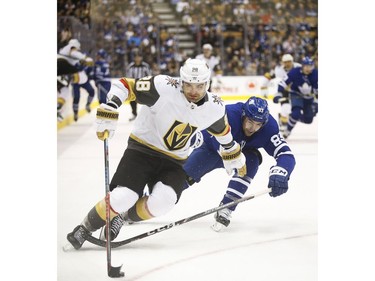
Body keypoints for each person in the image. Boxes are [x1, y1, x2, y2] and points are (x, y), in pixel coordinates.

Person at [66, 58, 247, 249]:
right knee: (123, 197)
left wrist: (232, 153)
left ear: (207, 84)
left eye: (200, 86)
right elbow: (125, 85)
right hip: (142, 150)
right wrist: (111, 106)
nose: (194, 91)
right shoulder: (163, 86)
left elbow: (223, 132)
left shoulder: (214, 107)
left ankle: (122, 217)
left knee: (164, 202)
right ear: (181, 81)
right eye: (189, 85)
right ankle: (85, 228)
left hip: (174, 161)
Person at [183, 96, 296, 231]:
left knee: (252, 161)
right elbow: (204, 135)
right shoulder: (228, 114)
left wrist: (281, 172)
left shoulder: (269, 128)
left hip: (243, 157)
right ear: (243, 115)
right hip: (211, 151)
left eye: (258, 124)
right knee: (179, 181)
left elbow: (285, 154)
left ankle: (227, 206)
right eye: (250, 121)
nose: (253, 128)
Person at [275, 56, 318, 139]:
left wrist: (316, 102)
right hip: (296, 95)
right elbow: (283, 83)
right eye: (307, 66)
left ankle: (291, 117)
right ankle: (287, 131)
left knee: (309, 119)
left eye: (310, 66)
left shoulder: (316, 74)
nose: (309, 69)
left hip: (309, 98)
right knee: (296, 113)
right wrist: (279, 93)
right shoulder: (295, 72)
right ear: (302, 66)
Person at [260, 54, 301, 133]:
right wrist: (264, 89)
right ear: (282, 63)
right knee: (285, 107)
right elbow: (268, 76)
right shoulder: (278, 70)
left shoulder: (299, 67)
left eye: (289, 62)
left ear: (292, 61)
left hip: (298, 91)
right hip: (284, 90)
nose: (287, 64)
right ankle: (283, 121)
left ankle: (285, 119)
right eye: (285, 62)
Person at [57, 38, 93, 122]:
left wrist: (81, 62)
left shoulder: (65, 52)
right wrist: (84, 58)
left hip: (60, 71)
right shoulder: (70, 48)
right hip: (60, 68)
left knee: (65, 90)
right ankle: (58, 107)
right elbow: (73, 53)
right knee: (68, 88)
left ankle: (58, 107)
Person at [125, 53, 152, 121]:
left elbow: (149, 76)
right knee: (132, 100)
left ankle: (148, 115)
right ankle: (134, 114)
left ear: (141, 58)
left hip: (144, 86)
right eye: (136, 57)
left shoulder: (145, 66)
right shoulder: (131, 66)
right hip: (134, 86)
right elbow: (128, 77)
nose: (137, 59)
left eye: (139, 57)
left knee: (147, 101)